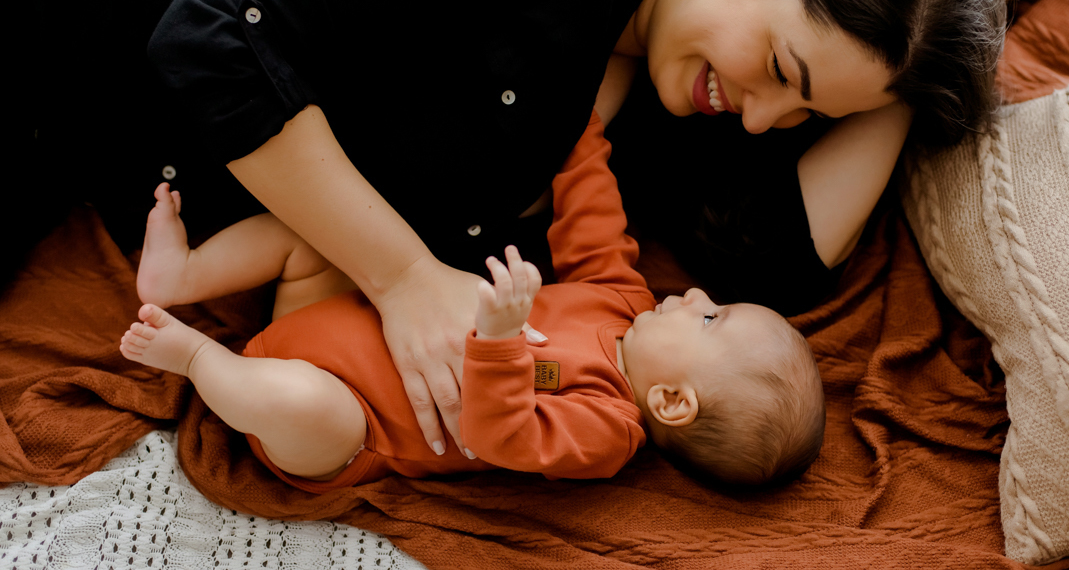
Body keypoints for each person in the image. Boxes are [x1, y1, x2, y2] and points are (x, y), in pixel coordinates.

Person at [11, 0, 1006, 460]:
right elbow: (214, 36)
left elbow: (781, 258)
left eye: (804, 114)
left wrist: (912, 85)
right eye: (783, 70)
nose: (760, 120)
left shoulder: (680, 98)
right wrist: (403, 275)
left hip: (84, 133)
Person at [120, 114, 825, 486]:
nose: (695, 293)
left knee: (305, 406)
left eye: (712, 317)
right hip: (333, 314)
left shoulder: (608, 429)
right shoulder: (623, 301)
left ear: (671, 401)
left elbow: (504, 436)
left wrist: (500, 340)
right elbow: (594, 226)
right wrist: (580, 132)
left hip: (353, 421)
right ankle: (181, 276)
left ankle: (200, 360)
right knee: (318, 233)